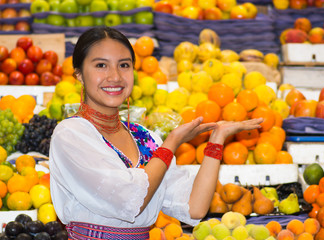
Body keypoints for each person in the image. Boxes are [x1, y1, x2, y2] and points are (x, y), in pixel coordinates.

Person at [49, 26, 263, 240]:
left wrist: (217, 140)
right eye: (101, 65)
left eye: (124, 65)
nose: (114, 76)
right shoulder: (71, 134)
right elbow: (132, 201)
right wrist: (172, 143)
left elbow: (195, 207)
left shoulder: (146, 138)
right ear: (79, 74)